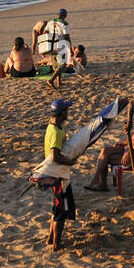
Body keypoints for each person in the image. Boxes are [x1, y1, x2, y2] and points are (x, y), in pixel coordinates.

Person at [43, 100, 77, 251]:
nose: (68, 112)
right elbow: (55, 155)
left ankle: (50, 239)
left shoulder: (55, 126)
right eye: (66, 110)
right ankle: (56, 244)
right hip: (57, 176)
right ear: (62, 113)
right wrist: (69, 162)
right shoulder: (56, 132)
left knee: (56, 208)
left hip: (56, 174)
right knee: (60, 210)